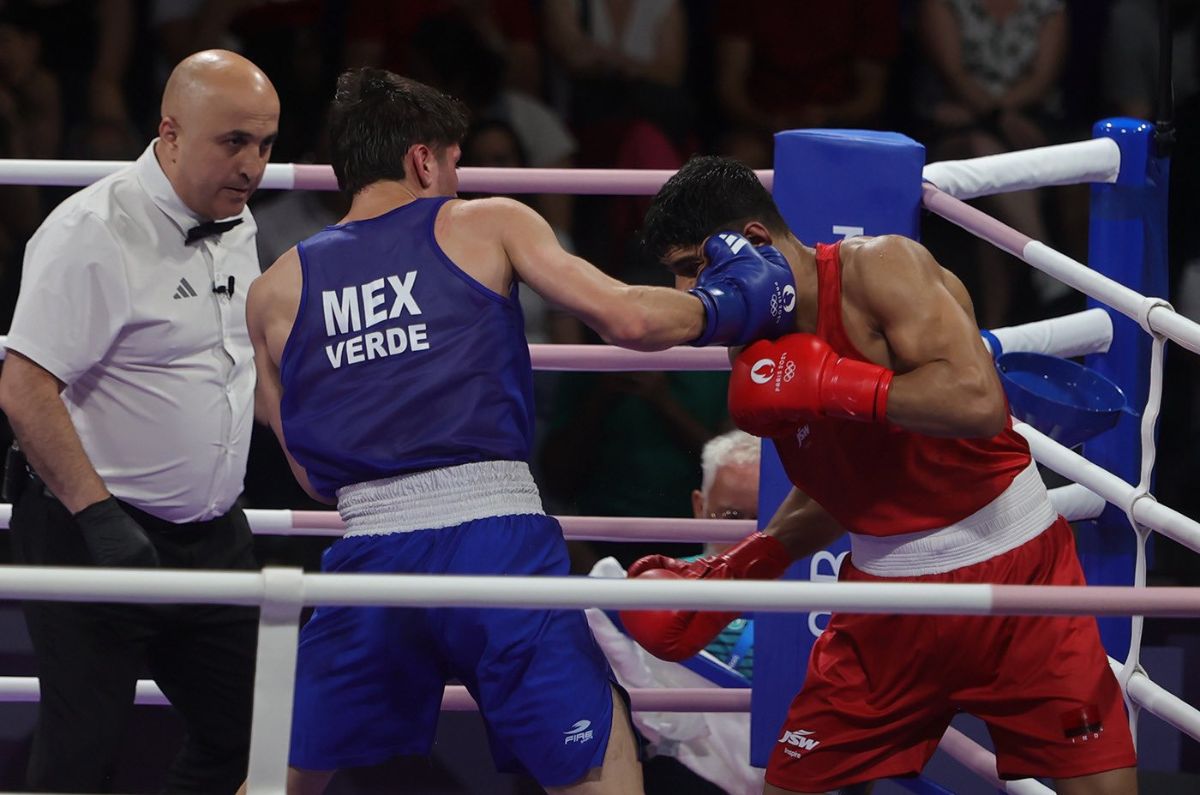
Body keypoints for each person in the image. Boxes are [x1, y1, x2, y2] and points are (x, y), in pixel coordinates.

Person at [242, 68, 795, 794]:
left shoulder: (274, 290)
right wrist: (739, 298)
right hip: (494, 544)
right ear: (422, 159)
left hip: (369, 557)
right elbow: (629, 319)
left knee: (281, 780)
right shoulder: (485, 223)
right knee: (603, 767)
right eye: (455, 163)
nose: (458, 180)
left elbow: (313, 472)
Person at [621, 155, 1138, 794]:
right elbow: (840, 480)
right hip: (885, 601)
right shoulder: (753, 344)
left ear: (751, 241)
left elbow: (978, 404)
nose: (688, 297)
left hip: (1017, 575)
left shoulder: (881, 268)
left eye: (692, 270)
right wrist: (743, 565)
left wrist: (836, 380)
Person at [0, 50, 277, 793]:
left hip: (212, 537)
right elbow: (25, 388)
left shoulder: (238, 221)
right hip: (89, 531)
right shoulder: (91, 228)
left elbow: (237, 367)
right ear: (172, 133)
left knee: (254, 736)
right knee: (80, 754)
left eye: (266, 144)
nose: (252, 165)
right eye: (234, 142)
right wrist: (99, 519)